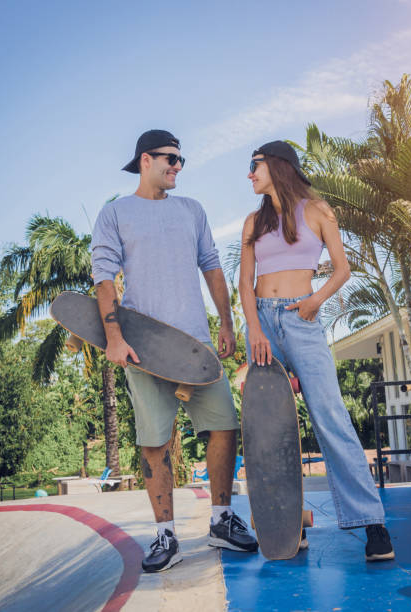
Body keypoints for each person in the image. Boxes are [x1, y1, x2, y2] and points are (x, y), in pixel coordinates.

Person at [91, 129, 258, 573]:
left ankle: (221, 520)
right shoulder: (115, 213)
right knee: (154, 440)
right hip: (142, 346)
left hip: (195, 343)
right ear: (145, 160)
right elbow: (104, 278)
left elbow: (212, 267)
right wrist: (114, 338)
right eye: (170, 158)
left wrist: (225, 322)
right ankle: (165, 533)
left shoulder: (192, 210)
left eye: (181, 160)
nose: (178, 166)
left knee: (224, 425)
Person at [238, 140, 395, 561]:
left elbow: (342, 268)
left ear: (277, 165)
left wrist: (315, 301)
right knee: (272, 428)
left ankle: (372, 523)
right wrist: (254, 329)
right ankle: (290, 524)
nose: (249, 173)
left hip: (302, 320)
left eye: (254, 165)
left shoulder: (318, 211)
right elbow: (245, 282)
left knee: (331, 418)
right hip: (263, 327)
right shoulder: (253, 220)